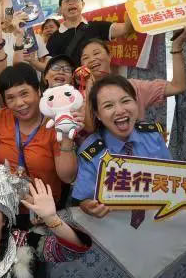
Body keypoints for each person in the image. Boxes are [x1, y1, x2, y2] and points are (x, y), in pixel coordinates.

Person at [0, 62, 80, 228]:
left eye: (24, 93)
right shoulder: (4, 117)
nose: (19, 103)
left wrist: (66, 137)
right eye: (10, 98)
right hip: (7, 210)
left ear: (38, 91)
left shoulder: (54, 123)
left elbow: (68, 177)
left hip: (45, 214)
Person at [72, 75, 171, 219]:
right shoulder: (91, 151)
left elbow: (171, 178)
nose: (120, 110)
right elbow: (83, 199)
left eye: (125, 101)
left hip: (155, 220)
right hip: (112, 225)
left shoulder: (154, 135)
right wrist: (89, 207)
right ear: (98, 114)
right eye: (108, 106)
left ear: (136, 102)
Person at [78, 27, 186, 132]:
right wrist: (88, 90)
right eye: (85, 58)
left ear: (109, 56)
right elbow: (90, 128)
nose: (92, 59)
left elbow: (178, 86)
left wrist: (176, 47)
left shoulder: (134, 86)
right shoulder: (77, 97)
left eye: (96, 53)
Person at [46, 0, 134, 66]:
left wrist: (132, 1)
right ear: (60, 9)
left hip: (96, 78)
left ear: (83, 4)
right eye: (67, 1)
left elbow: (126, 28)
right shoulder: (54, 38)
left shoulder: (97, 26)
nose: (71, 3)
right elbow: (50, 66)